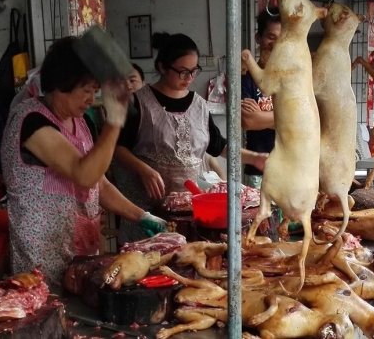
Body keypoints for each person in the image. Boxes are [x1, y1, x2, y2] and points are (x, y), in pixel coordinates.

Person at [0, 37, 167, 288]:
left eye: (95, 91)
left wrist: (142, 216)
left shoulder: (81, 122)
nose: (91, 99)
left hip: (79, 250)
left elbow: (99, 184)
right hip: (42, 256)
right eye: (86, 90)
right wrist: (114, 122)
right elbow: (84, 175)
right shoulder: (31, 121)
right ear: (61, 83)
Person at [113, 32, 268, 243]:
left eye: (194, 71)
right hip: (146, 211)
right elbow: (118, 148)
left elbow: (218, 146)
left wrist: (255, 157)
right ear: (162, 67)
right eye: (183, 72)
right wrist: (143, 170)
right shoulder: (138, 103)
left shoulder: (200, 106)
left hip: (189, 212)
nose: (190, 78)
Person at [241, 7, 281, 189]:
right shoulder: (245, 77)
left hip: (293, 170)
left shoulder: (295, 80)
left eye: (281, 39)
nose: (275, 44)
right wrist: (287, 117)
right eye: (271, 37)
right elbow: (248, 120)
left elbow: (306, 120)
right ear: (259, 38)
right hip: (258, 172)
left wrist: (262, 117)